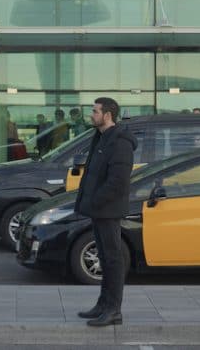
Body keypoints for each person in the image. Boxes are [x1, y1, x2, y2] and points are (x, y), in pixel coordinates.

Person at [73, 97, 136, 327]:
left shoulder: (120, 142)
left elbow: (118, 181)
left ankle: (113, 311)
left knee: (113, 259)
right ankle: (103, 305)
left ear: (107, 114)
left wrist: (96, 201)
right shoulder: (101, 137)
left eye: (95, 111)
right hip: (98, 209)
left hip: (108, 210)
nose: (92, 114)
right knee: (105, 258)